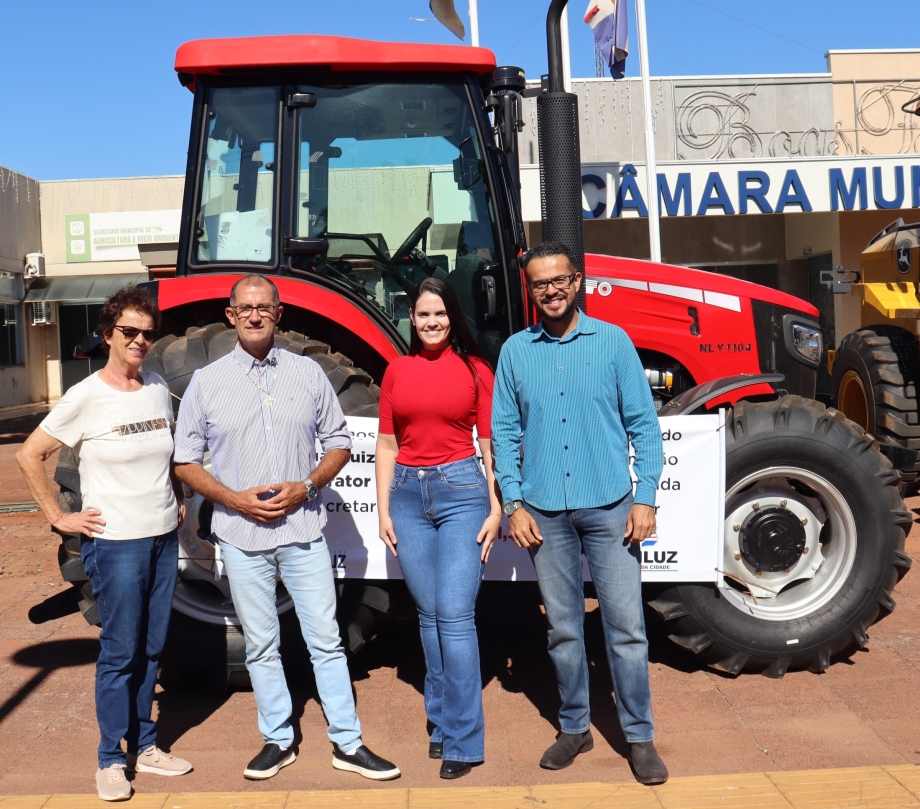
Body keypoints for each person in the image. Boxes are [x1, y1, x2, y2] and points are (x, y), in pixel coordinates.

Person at [172, 274, 399, 782]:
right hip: (241, 537)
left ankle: (348, 741)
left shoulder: (308, 373)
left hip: (303, 535)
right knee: (261, 644)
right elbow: (184, 461)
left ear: (279, 313)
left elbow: (339, 440)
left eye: (264, 308)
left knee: (326, 640)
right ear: (230, 316)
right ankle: (278, 738)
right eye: (245, 308)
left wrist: (308, 486)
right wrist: (231, 499)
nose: (255, 316)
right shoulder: (206, 383)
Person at [491, 242, 668, 785]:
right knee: (564, 630)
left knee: (626, 629)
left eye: (559, 280)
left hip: (611, 505)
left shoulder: (613, 343)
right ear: (531, 289)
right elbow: (504, 432)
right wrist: (514, 504)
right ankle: (575, 727)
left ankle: (638, 736)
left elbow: (644, 424)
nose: (550, 290)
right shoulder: (516, 352)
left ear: (577, 281)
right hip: (545, 514)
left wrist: (646, 497)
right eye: (539, 283)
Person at [16, 285, 191, 802]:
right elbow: (30, 455)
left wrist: (176, 497)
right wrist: (58, 516)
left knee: (153, 646)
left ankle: (145, 744)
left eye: (147, 333)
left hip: (161, 538)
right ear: (108, 334)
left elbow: (167, 454)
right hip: (115, 544)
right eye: (129, 332)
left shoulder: (157, 386)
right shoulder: (86, 396)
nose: (139, 341)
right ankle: (110, 759)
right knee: (120, 651)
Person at [375, 277, 501, 780]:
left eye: (441, 314)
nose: (433, 323)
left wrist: (496, 507)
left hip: (461, 493)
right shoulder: (396, 371)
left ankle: (465, 742)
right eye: (424, 315)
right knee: (428, 616)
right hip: (406, 495)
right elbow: (387, 444)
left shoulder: (475, 370)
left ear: (453, 317)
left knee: (453, 613)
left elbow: (491, 447)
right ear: (412, 318)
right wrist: (383, 509)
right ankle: (442, 725)